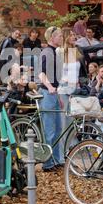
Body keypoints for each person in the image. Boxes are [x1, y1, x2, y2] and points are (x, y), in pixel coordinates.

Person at [38, 26, 64, 172]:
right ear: (52, 38)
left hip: (54, 94)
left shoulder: (55, 53)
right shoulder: (47, 52)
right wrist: (49, 87)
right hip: (47, 94)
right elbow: (41, 74)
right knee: (49, 131)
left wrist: (58, 95)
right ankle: (47, 164)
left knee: (58, 129)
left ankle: (56, 159)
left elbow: (55, 78)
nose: (61, 38)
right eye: (59, 36)